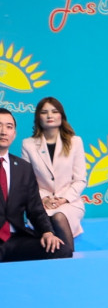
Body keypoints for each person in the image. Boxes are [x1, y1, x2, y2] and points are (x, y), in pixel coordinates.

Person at [0, 107, 70, 262]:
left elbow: (35, 209)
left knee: (61, 250)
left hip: (16, 238)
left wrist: (47, 232)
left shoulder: (23, 168)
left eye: (9, 127)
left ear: (14, 134)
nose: (3, 131)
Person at [20, 97, 86, 252]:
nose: (49, 115)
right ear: (38, 117)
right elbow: (28, 182)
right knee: (45, 221)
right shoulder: (28, 145)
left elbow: (80, 180)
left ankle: (68, 258)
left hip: (69, 202)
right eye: (44, 112)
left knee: (59, 216)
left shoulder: (75, 142)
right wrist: (44, 198)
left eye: (54, 111)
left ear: (61, 116)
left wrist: (63, 198)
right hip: (42, 203)